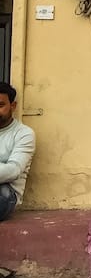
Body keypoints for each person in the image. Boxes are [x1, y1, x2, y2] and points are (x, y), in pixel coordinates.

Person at [0, 82, 35, 222]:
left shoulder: (24, 134)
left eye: (0, 105)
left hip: (5, 192)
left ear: (12, 106)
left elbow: (13, 170)